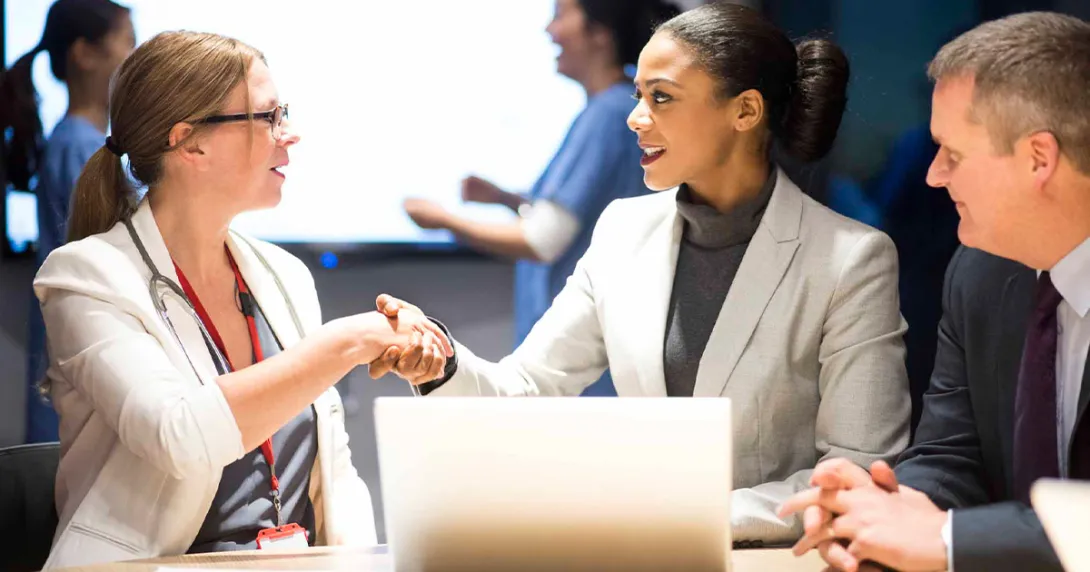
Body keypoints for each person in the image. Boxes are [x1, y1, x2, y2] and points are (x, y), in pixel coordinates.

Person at [376, 3, 911, 545]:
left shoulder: (851, 258)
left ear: (745, 111)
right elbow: (528, 386)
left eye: (662, 97)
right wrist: (439, 363)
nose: (635, 117)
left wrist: (679, 515)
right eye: (639, 94)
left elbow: (856, 471)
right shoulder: (623, 229)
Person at [33, 31, 450, 569]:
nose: (291, 135)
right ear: (190, 142)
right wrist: (348, 341)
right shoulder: (86, 277)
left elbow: (337, 477)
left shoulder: (283, 273)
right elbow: (178, 436)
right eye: (269, 117)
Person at [780, 12, 1090, 572]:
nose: (933, 176)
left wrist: (950, 539)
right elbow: (952, 454)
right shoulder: (980, 274)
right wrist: (889, 506)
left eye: (953, 153)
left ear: (1038, 158)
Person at [402, 0, 679, 396]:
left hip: (585, 376)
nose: (550, 31)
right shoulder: (609, 111)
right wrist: (506, 199)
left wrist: (444, 220)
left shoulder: (608, 115)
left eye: (562, 16)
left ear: (600, 33)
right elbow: (578, 216)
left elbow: (542, 239)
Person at [0, 0, 134, 444]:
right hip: (79, 365)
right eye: (128, 44)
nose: (136, 61)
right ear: (85, 54)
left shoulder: (83, 144)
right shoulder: (82, 150)